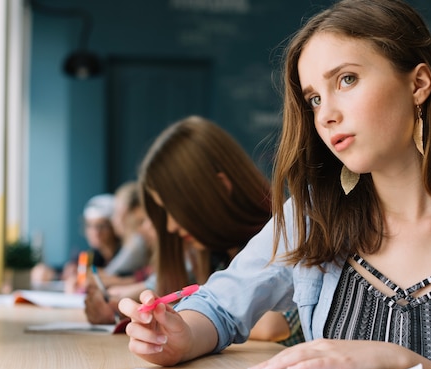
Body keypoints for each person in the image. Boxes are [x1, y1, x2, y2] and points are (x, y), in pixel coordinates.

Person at [118, 1, 431, 369]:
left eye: (346, 79)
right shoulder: (311, 217)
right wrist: (177, 336)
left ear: (418, 84)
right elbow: (219, 307)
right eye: (314, 99)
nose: (327, 115)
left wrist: (401, 366)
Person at [93, 115, 303, 345]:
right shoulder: (213, 254)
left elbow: (273, 326)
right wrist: (117, 307)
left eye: (175, 210)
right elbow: (161, 288)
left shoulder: (287, 236)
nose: (171, 227)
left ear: (221, 188)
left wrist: (177, 317)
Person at [31, 193, 121, 292]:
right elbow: (70, 270)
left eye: (101, 226)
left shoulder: (126, 255)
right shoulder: (93, 255)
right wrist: (51, 272)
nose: (95, 232)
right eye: (90, 225)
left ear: (114, 227)